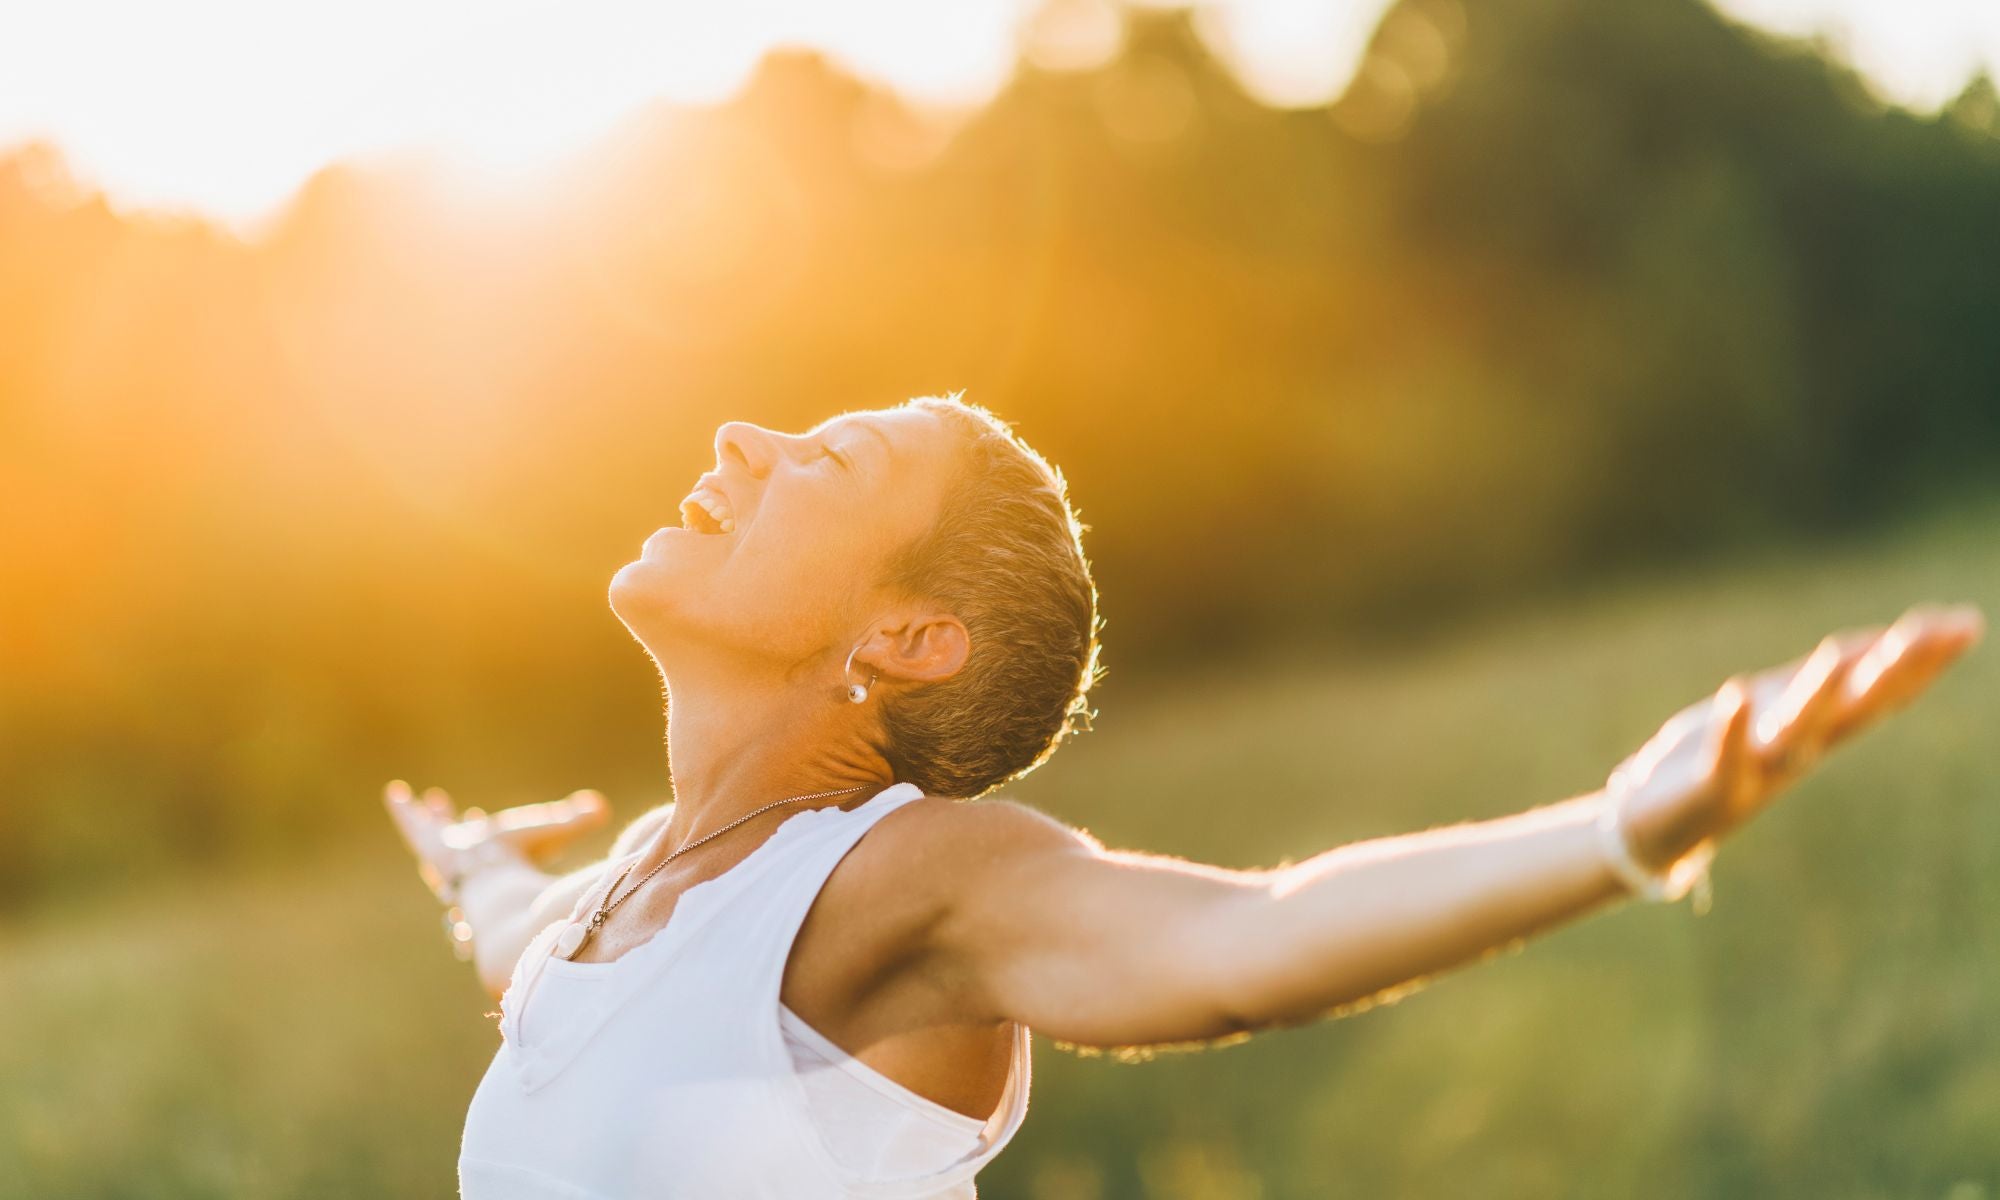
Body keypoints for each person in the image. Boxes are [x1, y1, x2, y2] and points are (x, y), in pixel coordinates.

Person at [385, 393, 1983, 1199]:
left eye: (830, 460)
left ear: (907, 638)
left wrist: (1620, 832)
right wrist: (470, 864)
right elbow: (532, 950)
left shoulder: (903, 884)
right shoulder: (641, 893)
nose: (744, 434)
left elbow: (1246, 945)